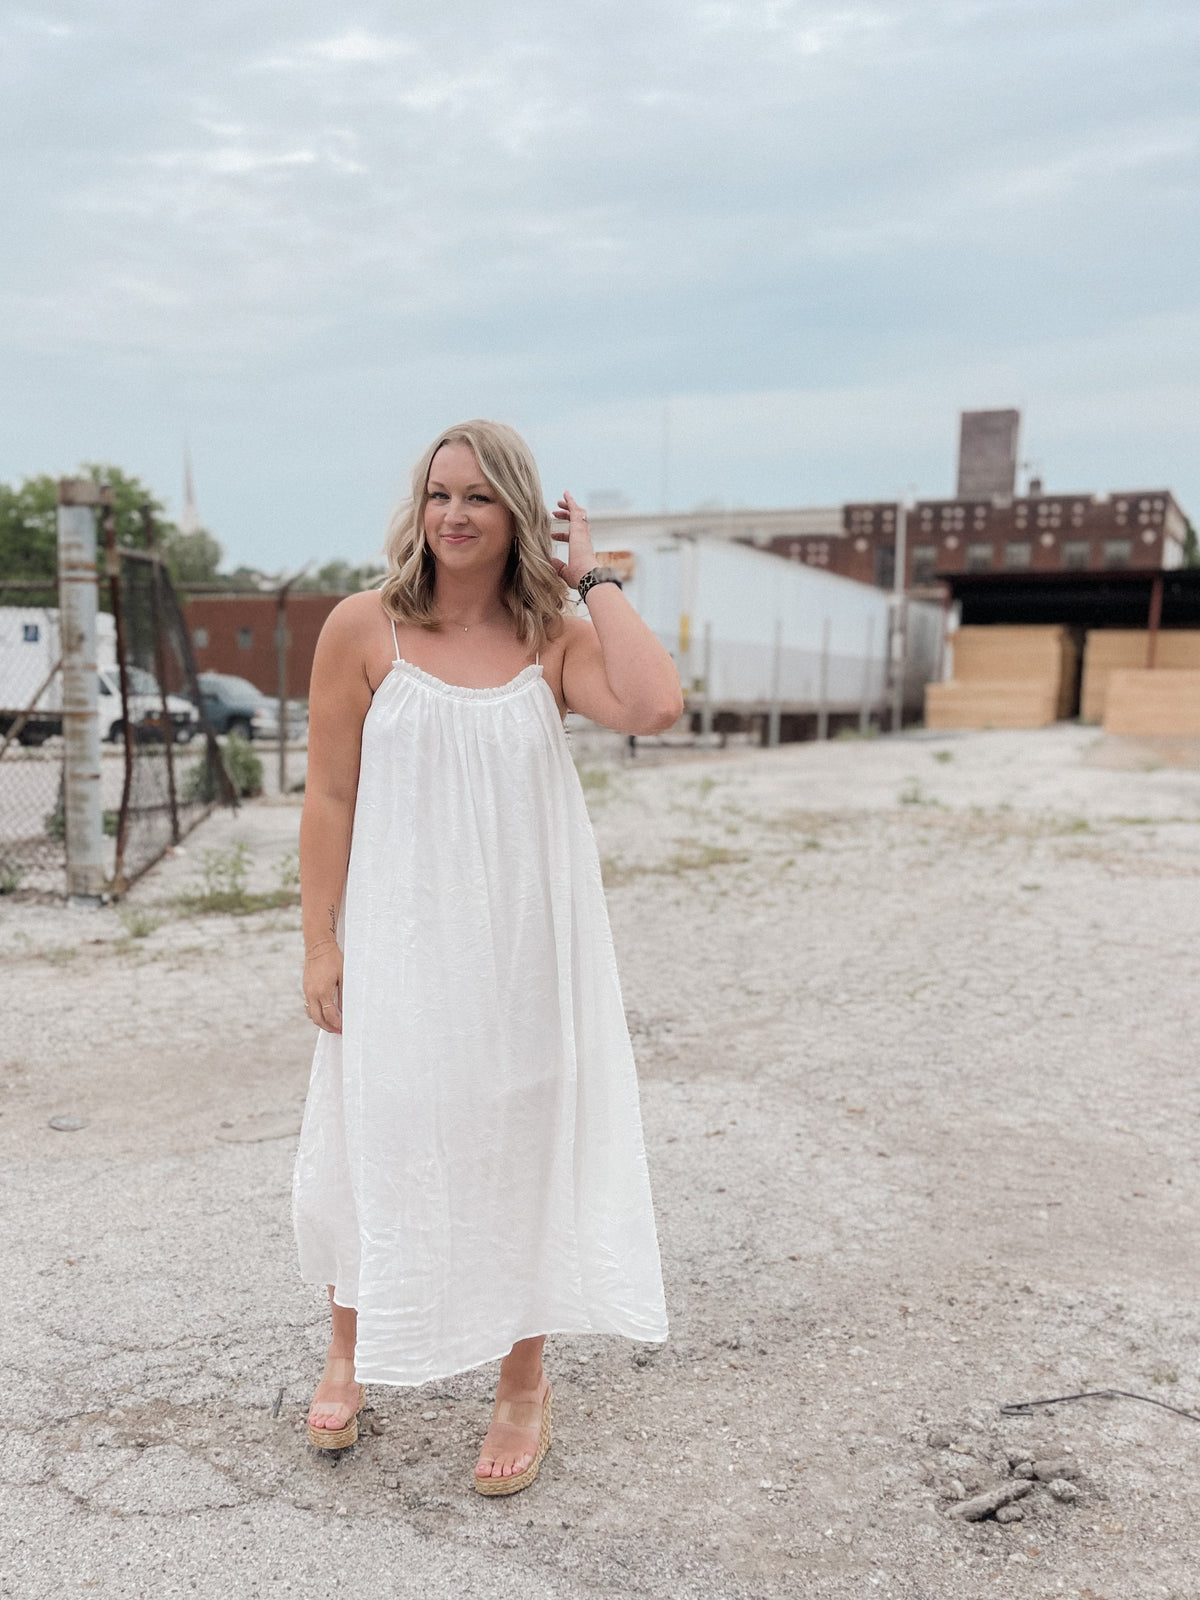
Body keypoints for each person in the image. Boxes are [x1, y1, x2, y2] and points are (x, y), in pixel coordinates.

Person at [291, 420, 681, 1495]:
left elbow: (654, 704)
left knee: (523, 1141)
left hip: (523, 948)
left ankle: (524, 1383)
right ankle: (349, 1351)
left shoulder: (553, 636)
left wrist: (591, 576)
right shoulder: (363, 629)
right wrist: (320, 941)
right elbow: (329, 794)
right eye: (437, 494)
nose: (453, 515)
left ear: (517, 512)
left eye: (478, 497)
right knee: (383, 1124)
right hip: (398, 938)